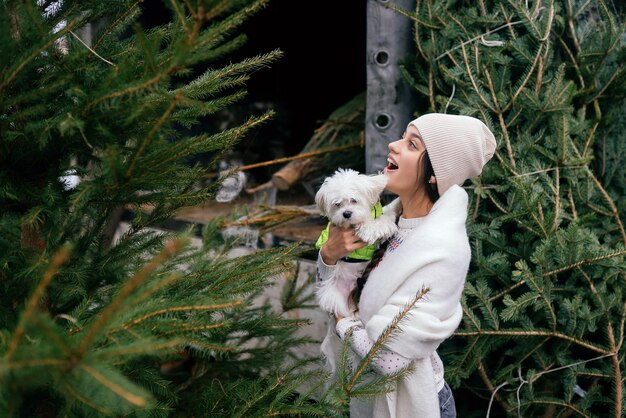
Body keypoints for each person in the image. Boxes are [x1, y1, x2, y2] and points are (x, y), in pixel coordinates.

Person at [316, 113, 497, 418]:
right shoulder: (389, 220)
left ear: (434, 173)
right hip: (369, 395)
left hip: (412, 404)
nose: (393, 145)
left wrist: (342, 318)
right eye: (402, 136)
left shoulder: (441, 249)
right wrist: (329, 255)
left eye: (412, 144)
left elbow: (389, 358)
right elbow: (333, 283)